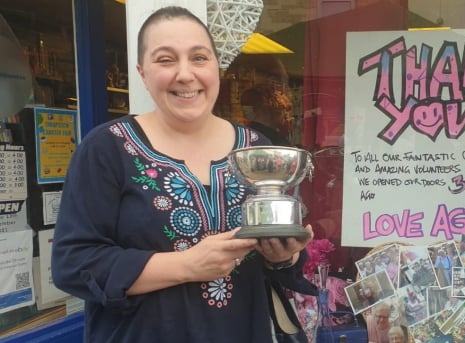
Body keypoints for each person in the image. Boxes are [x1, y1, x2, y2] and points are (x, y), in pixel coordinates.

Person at [50, 6, 315, 343]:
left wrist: (284, 256)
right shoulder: (107, 148)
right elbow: (73, 263)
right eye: (165, 60)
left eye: (199, 58)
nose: (185, 74)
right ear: (142, 73)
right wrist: (187, 265)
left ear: (216, 69)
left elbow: (278, 255)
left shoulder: (254, 148)